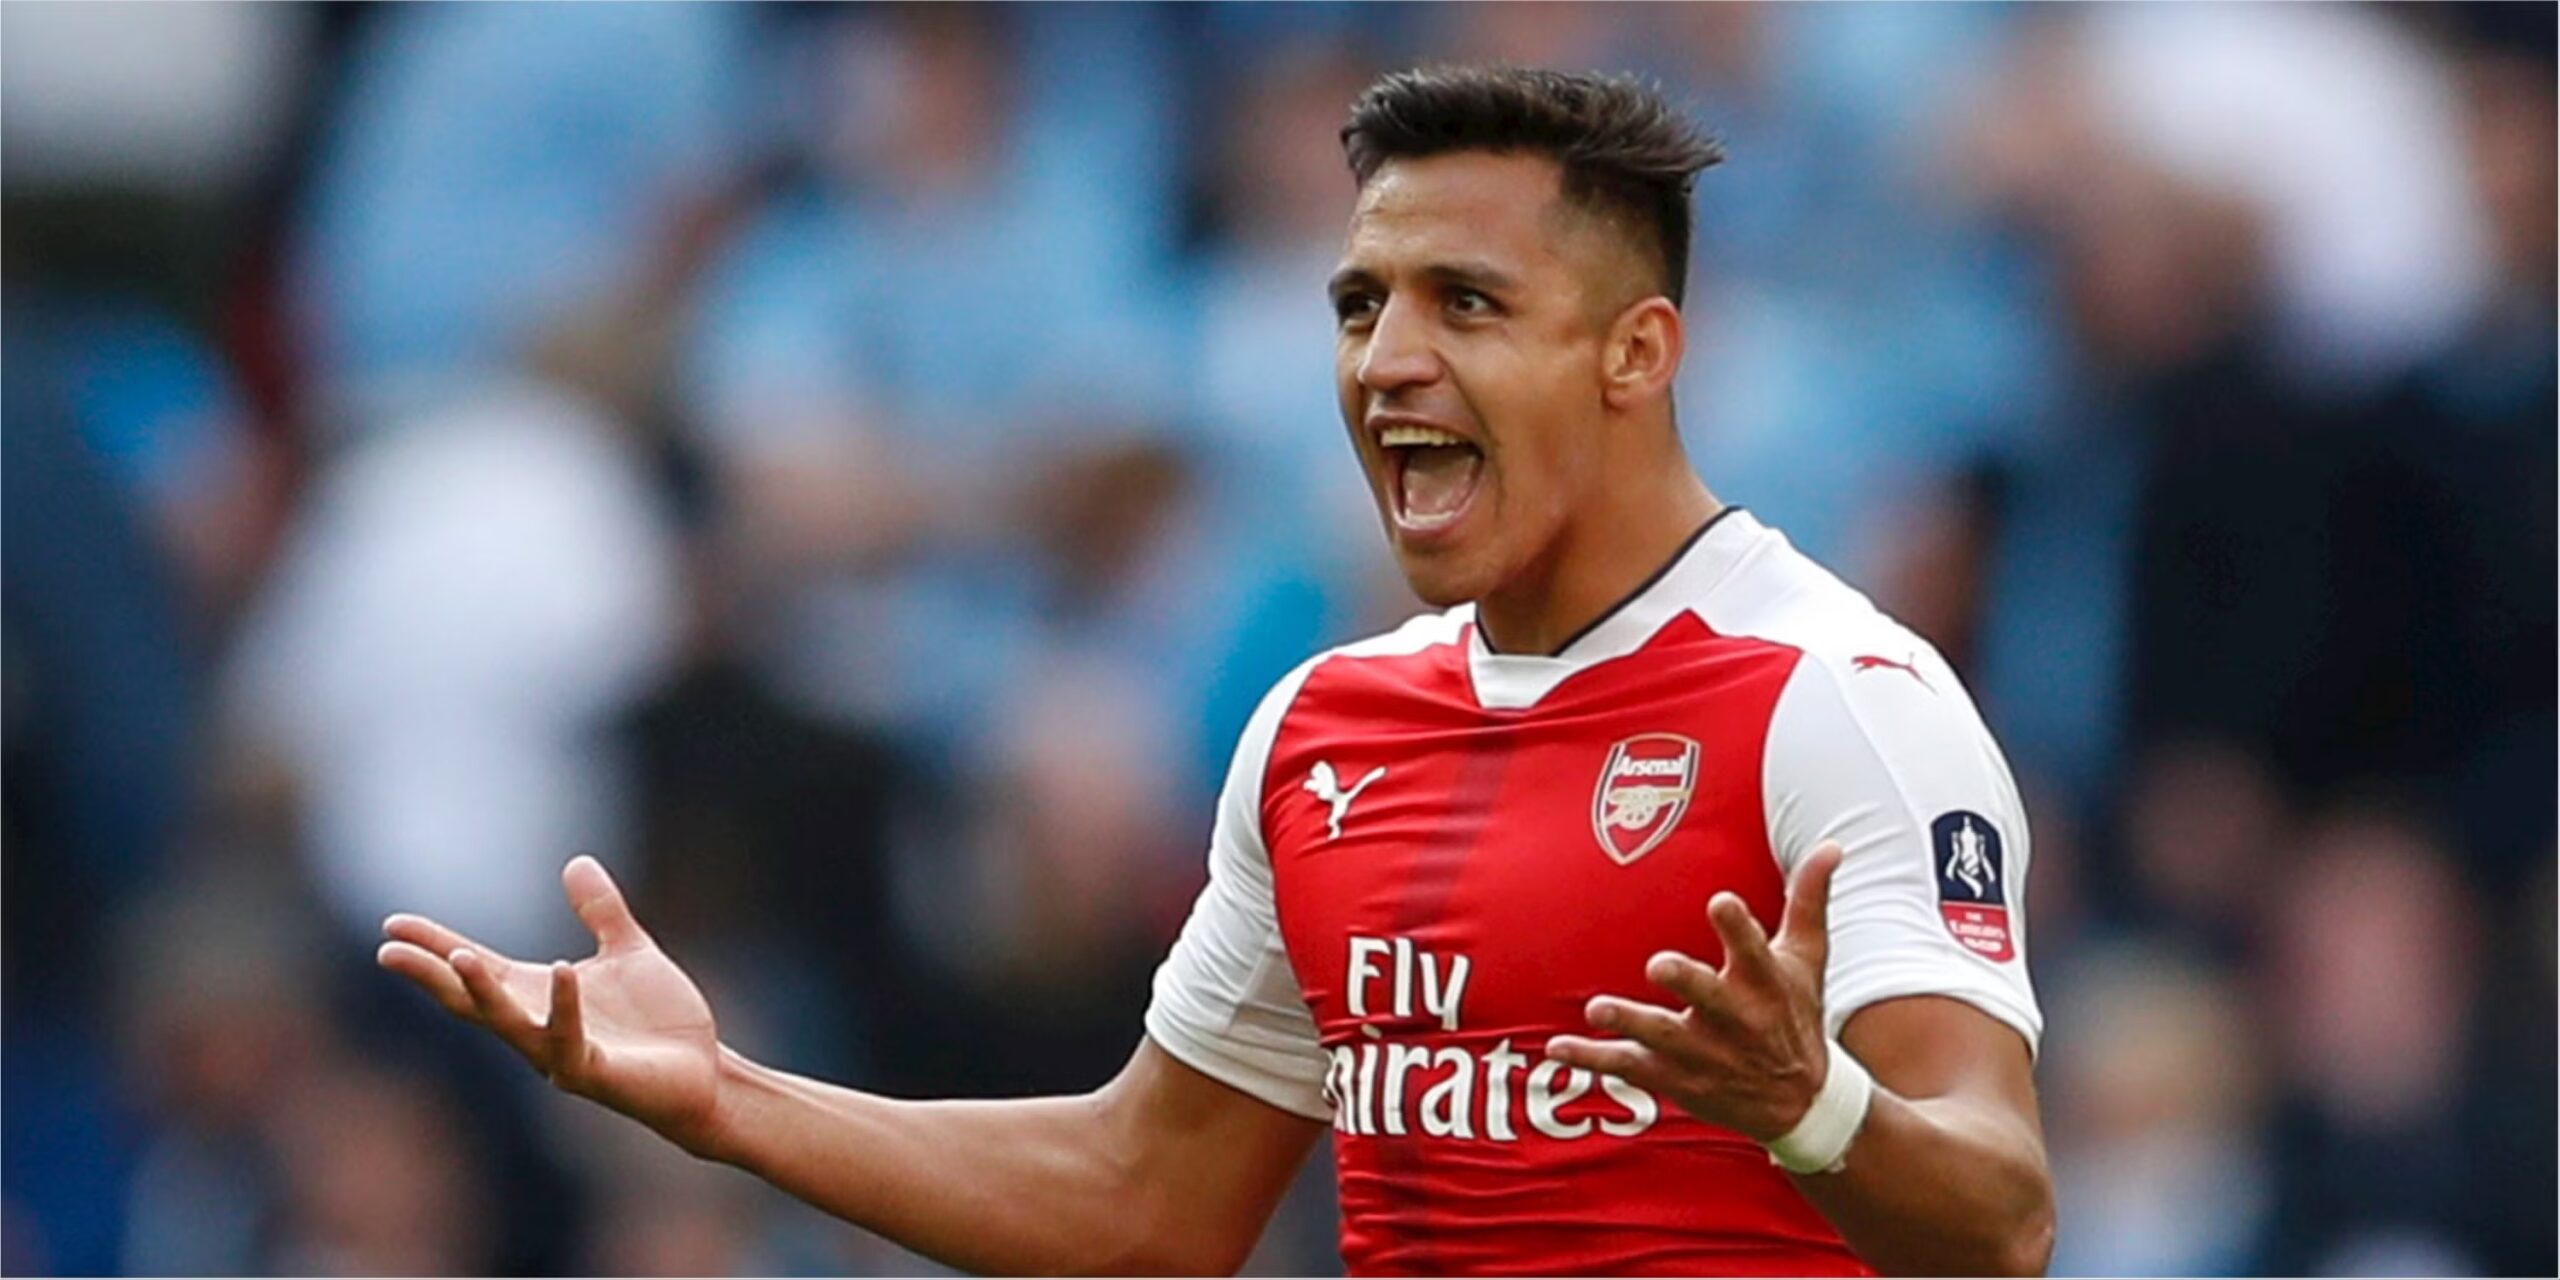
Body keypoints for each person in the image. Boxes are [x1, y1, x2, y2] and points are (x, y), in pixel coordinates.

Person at [378, 66, 2054, 1276]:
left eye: (1466, 303)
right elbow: (1146, 1201)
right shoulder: (1329, 733)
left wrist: (1809, 1107)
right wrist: (726, 1101)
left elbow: (2006, 1221)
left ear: (1638, 353)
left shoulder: (1836, 701)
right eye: (1360, 304)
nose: (1388, 361)